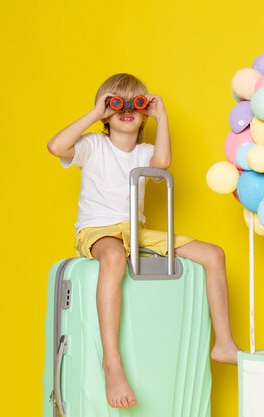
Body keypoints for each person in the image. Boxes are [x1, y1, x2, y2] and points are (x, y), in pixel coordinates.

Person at [47, 73, 240, 409]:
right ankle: (112, 362)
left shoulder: (145, 152)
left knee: (213, 255)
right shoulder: (93, 145)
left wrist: (161, 115)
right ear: (107, 113)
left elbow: (162, 163)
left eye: (134, 104)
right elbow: (55, 146)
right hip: (98, 229)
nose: (126, 109)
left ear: (143, 113)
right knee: (113, 258)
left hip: (135, 231)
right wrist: (95, 112)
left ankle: (223, 343)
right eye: (115, 103)